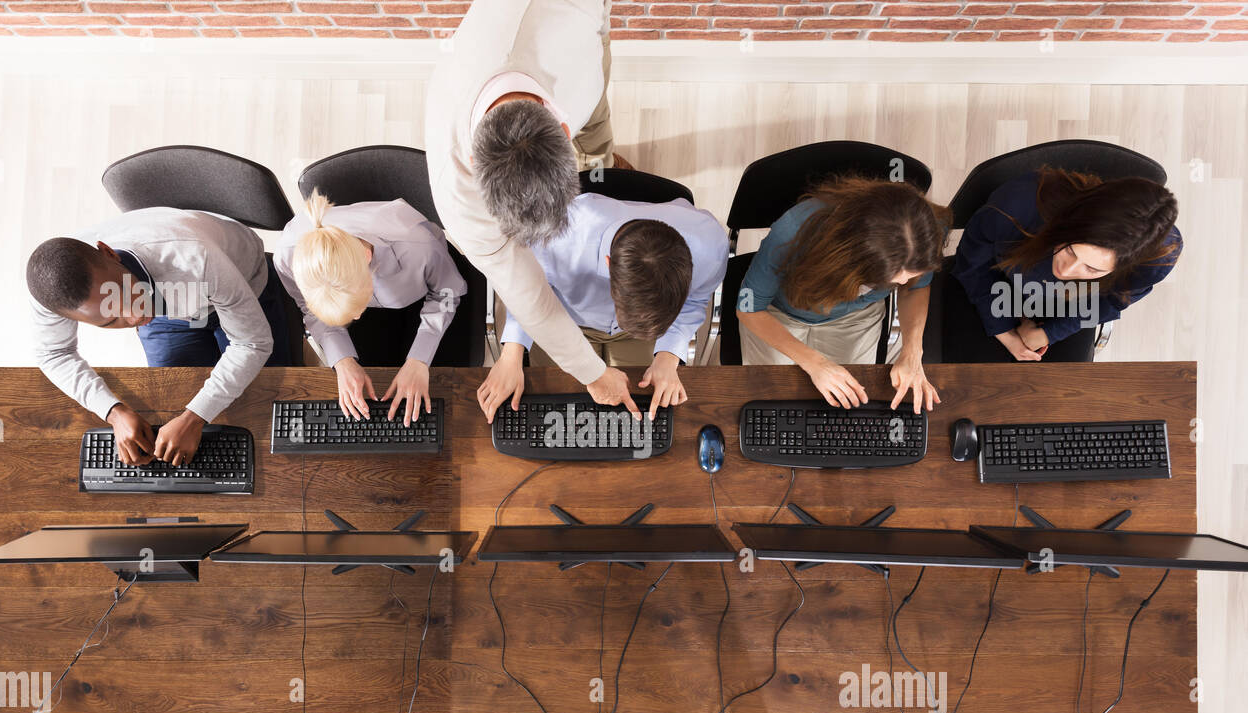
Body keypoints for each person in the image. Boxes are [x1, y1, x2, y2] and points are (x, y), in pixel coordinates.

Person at [424, 0, 643, 420]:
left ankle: (603, 169)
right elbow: (532, 298)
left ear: (564, 131)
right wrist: (592, 374)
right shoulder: (457, 196)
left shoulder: (576, 40)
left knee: (599, 145)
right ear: (474, 166)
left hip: (584, 31)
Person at [27, 207, 284, 466]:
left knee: (267, 406)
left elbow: (252, 342)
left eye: (124, 294)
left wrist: (195, 417)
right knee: (172, 405)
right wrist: (113, 412)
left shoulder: (195, 257)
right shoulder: (53, 293)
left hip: (242, 280)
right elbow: (54, 353)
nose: (135, 317)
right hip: (168, 311)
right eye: (111, 319)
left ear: (109, 253)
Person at [477, 193, 728, 422]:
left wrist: (668, 357)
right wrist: (511, 356)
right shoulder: (556, 233)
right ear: (609, 264)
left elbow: (694, 301)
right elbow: (526, 289)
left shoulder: (710, 247)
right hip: (560, 321)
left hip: (650, 337)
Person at [735, 177, 951, 413]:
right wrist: (815, 363)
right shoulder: (792, 231)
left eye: (910, 273)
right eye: (894, 276)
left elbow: (915, 288)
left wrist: (912, 351)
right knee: (772, 402)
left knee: (850, 402)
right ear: (855, 255)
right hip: (780, 315)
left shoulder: (925, 234)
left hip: (856, 317)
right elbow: (749, 308)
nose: (901, 282)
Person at [947, 168, 1181, 363]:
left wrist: (1049, 334)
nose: (1066, 271)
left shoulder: (1157, 257)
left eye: (1092, 269)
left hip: (1072, 304)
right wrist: (1004, 332)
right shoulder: (1015, 207)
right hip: (996, 281)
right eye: (1070, 250)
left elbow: (1111, 301)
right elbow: (971, 265)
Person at [275, 190, 467, 425]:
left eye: (359, 306)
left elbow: (447, 291)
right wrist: (342, 360)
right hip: (377, 311)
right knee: (376, 389)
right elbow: (309, 308)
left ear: (368, 257)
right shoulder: (287, 258)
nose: (357, 316)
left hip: (426, 294)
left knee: (442, 389)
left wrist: (419, 360)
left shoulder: (418, 245)